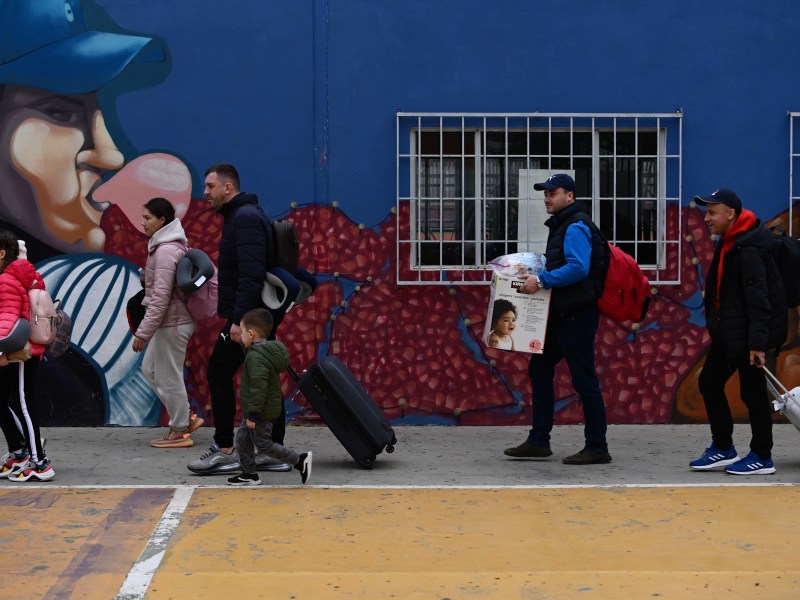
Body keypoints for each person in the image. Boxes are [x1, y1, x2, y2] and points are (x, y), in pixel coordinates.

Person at [504, 174, 612, 465]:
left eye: (554, 193)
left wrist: (541, 280)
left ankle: (597, 447)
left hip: (576, 315)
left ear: (570, 196)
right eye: (545, 194)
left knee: (584, 380)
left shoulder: (575, 225)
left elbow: (578, 268)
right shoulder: (562, 225)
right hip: (563, 313)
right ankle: (539, 441)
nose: (547, 198)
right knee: (539, 369)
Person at [188, 164, 289, 474]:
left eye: (209, 186)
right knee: (266, 377)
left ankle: (226, 448)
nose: (204, 193)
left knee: (218, 369)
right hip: (254, 315)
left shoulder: (244, 219)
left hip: (249, 317)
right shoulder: (241, 216)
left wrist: (238, 321)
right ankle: (273, 451)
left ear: (227, 188)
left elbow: (251, 274)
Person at [689, 188, 787, 475]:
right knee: (709, 382)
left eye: (712, 212)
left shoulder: (750, 248)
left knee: (752, 393)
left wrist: (757, 344)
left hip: (748, 335)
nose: (706, 218)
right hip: (730, 331)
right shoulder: (732, 239)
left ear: (730, 214)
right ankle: (723, 448)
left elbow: (759, 300)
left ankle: (762, 455)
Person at [132, 198, 203, 447]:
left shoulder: (164, 251)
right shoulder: (165, 247)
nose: (143, 223)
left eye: (148, 218)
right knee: (150, 370)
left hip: (173, 323)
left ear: (162, 220)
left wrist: (142, 333)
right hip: (171, 322)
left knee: (167, 377)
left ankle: (180, 429)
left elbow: (160, 299)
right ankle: (183, 416)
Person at [227, 309, 312, 486]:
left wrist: (254, 414)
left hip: (260, 412)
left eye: (242, 332)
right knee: (243, 439)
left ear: (250, 334)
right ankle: (249, 474)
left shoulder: (256, 358)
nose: (240, 335)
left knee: (264, 445)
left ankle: (299, 460)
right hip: (256, 409)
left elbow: (259, 387)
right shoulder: (261, 351)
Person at [0, 232, 54, 481]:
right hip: (26, 349)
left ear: (2, 253)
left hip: (21, 351)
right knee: (15, 400)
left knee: (24, 402)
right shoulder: (23, 276)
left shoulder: (6, 280)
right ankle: (21, 452)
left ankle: (39, 463)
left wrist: (1, 351)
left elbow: (7, 319)